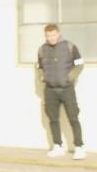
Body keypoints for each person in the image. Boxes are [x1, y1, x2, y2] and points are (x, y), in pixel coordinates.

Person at [37, 23, 86, 160]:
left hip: (66, 89)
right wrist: (43, 76)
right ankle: (57, 146)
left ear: (58, 33)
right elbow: (39, 66)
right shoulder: (42, 49)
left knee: (73, 117)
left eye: (53, 35)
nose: (51, 38)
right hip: (50, 90)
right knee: (53, 119)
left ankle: (79, 147)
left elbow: (80, 64)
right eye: (48, 36)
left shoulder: (69, 47)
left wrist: (70, 77)